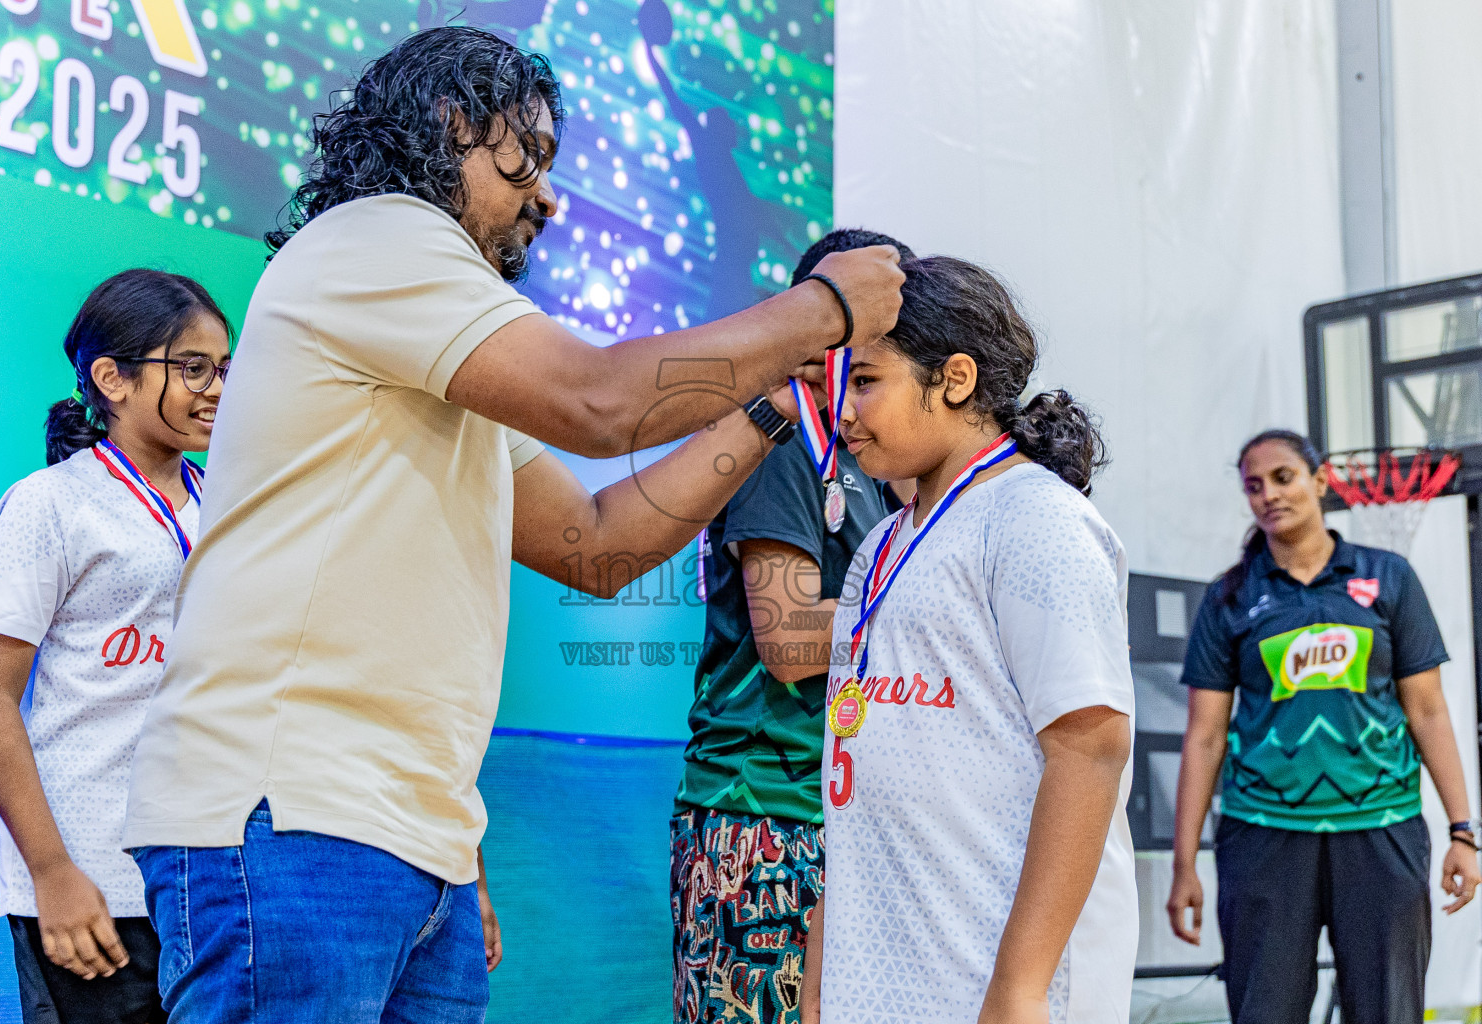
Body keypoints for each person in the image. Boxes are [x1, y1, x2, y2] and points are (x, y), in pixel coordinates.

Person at [118, 26, 904, 1023]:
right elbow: (600, 400)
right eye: (523, 159)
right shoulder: (381, 237)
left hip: (410, 837)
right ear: (451, 129)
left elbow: (599, 543)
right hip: (293, 818)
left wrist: (768, 408)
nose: (548, 198)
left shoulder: (432, 350)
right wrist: (822, 307)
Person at [798, 256, 1138, 1024]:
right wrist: (828, 948)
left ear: (953, 379)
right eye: (834, 386)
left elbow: (1090, 746)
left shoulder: (1035, 520)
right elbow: (853, 768)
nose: (841, 413)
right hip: (886, 965)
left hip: (999, 970)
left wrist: (1020, 987)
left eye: (865, 382)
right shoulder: (881, 544)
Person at [0, 270, 231, 1024]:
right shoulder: (48, 506)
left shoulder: (232, 503)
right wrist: (52, 872)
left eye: (224, 368)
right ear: (110, 378)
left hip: (207, 881)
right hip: (91, 879)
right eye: (191, 368)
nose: (215, 388)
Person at [671, 228, 914, 1024]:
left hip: (838, 811)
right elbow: (786, 641)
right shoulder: (780, 440)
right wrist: (928, 621)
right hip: (759, 815)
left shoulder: (874, 464)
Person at [1167, 429, 1481, 1024]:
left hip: (1383, 831)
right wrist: (1185, 865)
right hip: (1262, 834)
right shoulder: (1230, 599)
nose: (1268, 496)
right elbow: (1204, 736)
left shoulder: (1389, 578)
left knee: (1389, 1011)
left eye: (1283, 478)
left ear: (1319, 481)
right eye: (1253, 486)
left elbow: (1429, 711)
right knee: (1265, 1013)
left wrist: (1463, 831)